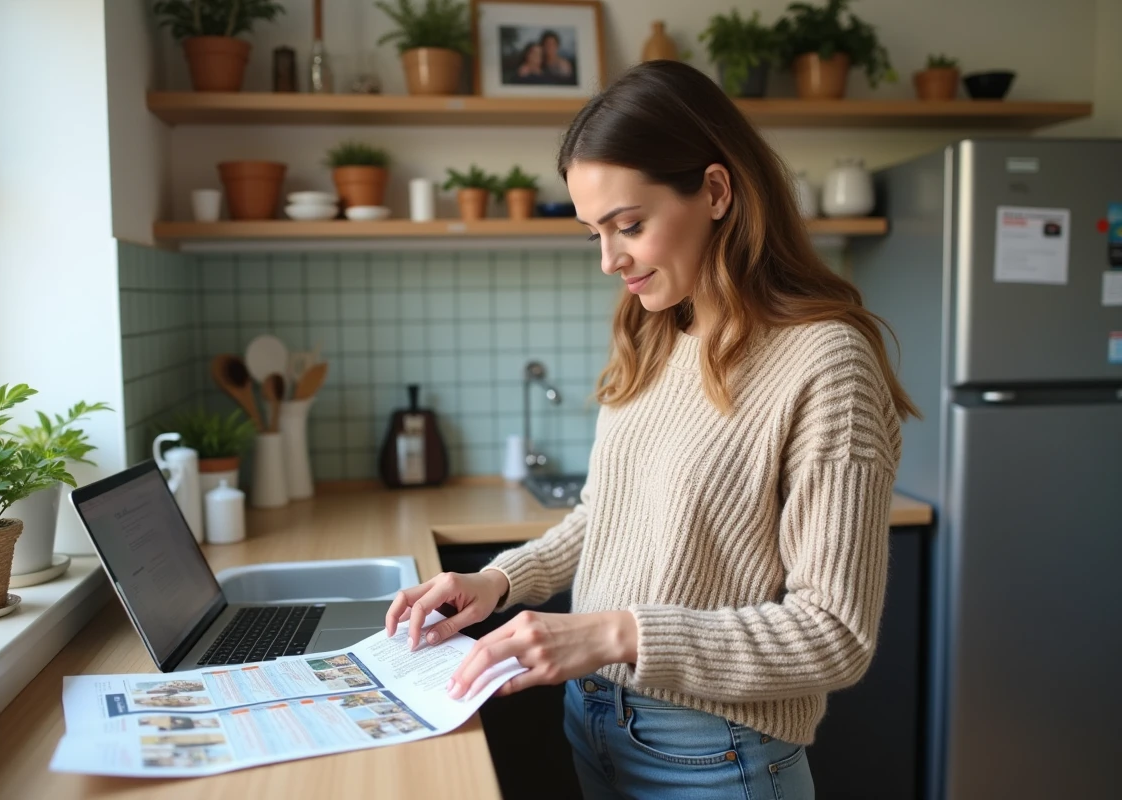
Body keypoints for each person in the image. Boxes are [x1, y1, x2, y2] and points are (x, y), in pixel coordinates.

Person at [385, 60, 916, 800]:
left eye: (629, 226)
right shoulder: (658, 329)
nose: (610, 260)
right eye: (594, 233)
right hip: (596, 721)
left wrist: (613, 634)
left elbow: (835, 635)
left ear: (717, 191)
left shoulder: (826, 362)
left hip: (716, 755)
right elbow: (607, 514)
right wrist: (498, 580)